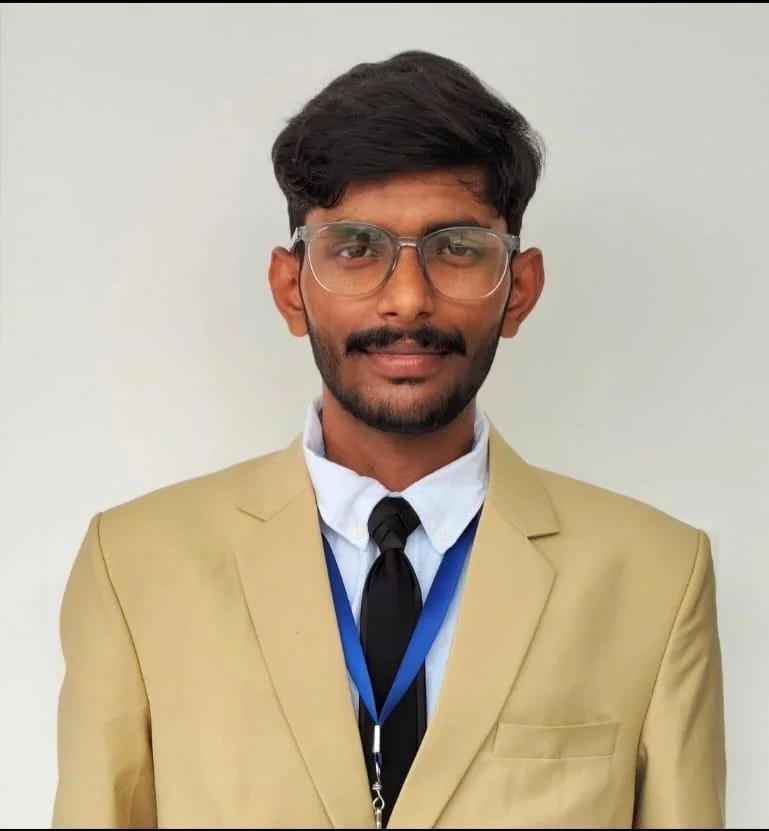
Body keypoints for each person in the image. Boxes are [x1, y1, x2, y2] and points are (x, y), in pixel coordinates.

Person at [52, 50, 726, 829]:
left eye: (457, 248)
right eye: (355, 247)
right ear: (289, 287)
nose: (407, 300)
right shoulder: (134, 565)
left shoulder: (655, 575)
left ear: (520, 289)